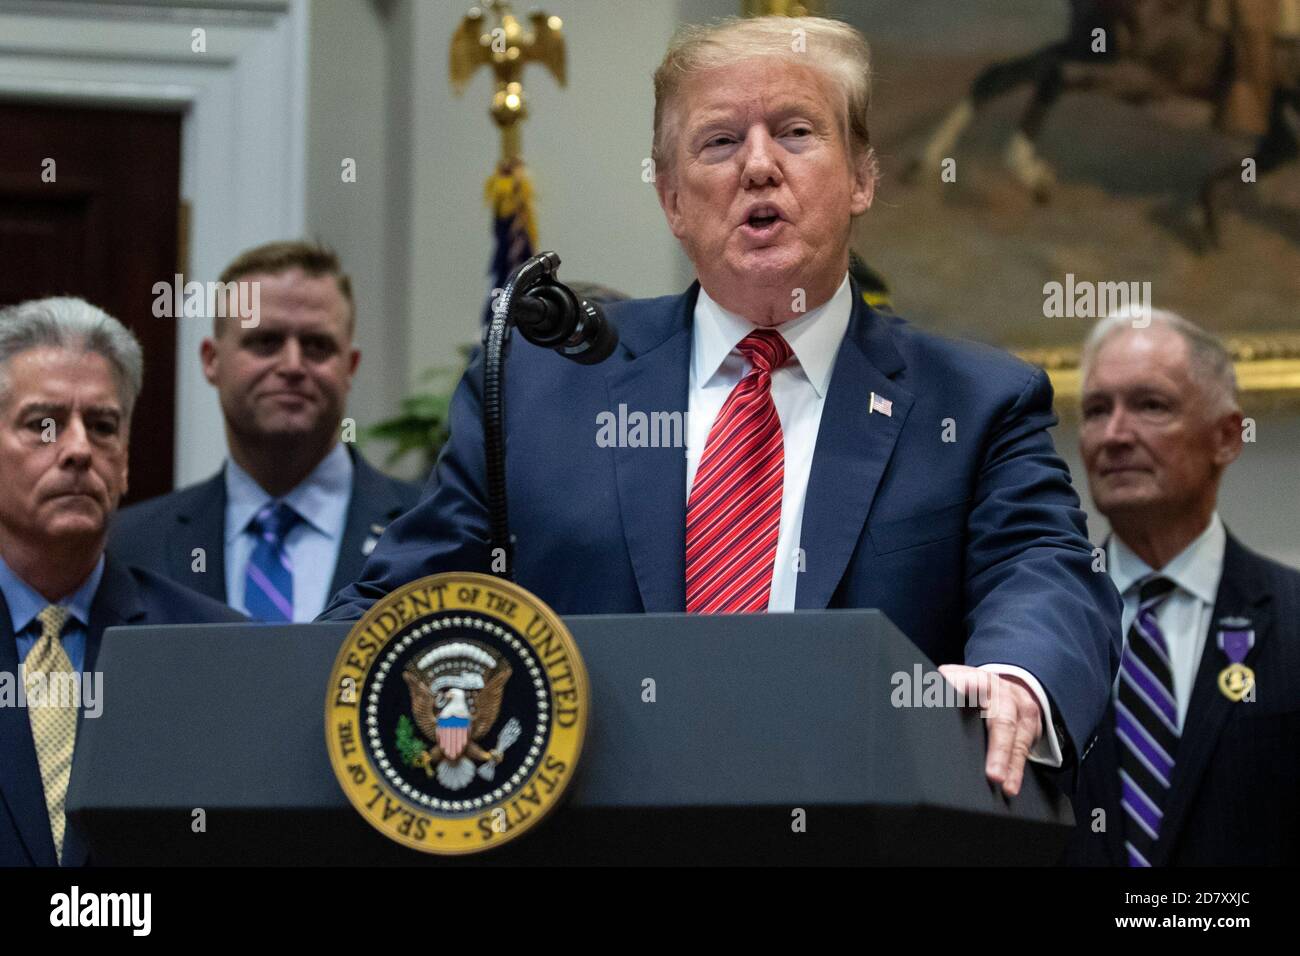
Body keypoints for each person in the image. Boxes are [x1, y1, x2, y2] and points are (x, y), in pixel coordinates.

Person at [321, 16, 1121, 797]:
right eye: (719, 142)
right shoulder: (542, 384)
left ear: (864, 178)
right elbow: (399, 602)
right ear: (671, 198)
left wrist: (1017, 675)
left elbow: (1042, 571)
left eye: (798, 133)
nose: (759, 167)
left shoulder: (975, 402)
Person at [0, 297, 245, 867]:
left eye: (103, 426)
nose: (80, 449)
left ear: (127, 459)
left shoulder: (212, 648)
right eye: (45, 425)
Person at [1067, 309, 1300, 866]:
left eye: (1151, 405)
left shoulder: (1292, 620)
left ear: (1226, 437)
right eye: (1097, 410)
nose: (1116, 435)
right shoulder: (1040, 624)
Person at [110, 241, 420, 622]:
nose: (292, 365)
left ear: (350, 366)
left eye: (317, 345)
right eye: (265, 342)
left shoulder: (425, 535)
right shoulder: (129, 545)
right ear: (212, 361)